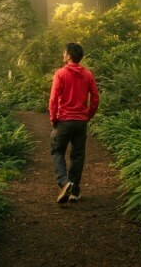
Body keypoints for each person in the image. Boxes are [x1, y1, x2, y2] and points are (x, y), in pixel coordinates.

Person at [48, 42, 99, 203]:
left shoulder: (61, 73)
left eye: (64, 53)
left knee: (57, 151)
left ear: (69, 55)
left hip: (64, 120)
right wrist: (88, 115)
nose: (63, 55)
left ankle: (64, 182)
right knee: (78, 155)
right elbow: (96, 98)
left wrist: (53, 118)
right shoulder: (88, 74)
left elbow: (53, 99)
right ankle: (74, 191)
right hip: (81, 121)